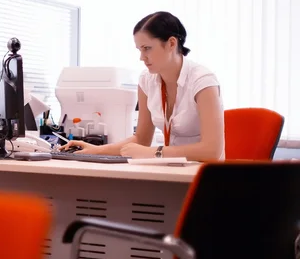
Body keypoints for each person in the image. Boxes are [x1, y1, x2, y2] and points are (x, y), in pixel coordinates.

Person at [59, 11, 225, 161]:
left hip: (204, 175)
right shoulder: (147, 80)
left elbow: (211, 151)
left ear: (171, 44)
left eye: (147, 48)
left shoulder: (202, 81)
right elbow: (142, 139)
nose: (142, 57)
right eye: (139, 49)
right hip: (171, 169)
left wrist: (155, 152)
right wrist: (97, 150)